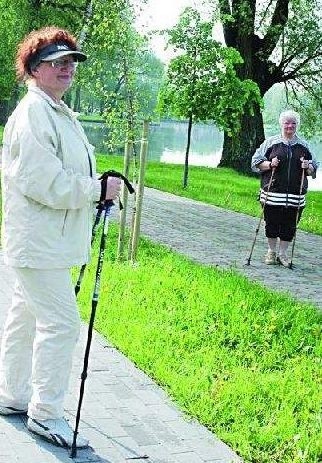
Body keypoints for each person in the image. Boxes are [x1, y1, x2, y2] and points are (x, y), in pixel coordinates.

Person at [0, 26, 121, 448]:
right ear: (34, 69)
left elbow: (66, 169)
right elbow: (43, 181)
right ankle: (46, 414)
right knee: (62, 323)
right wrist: (95, 190)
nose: (67, 68)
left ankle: (13, 395)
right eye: (57, 62)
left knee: (26, 316)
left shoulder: (56, 111)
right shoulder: (35, 112)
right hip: (39, 243)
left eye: (70, 61)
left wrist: (95, 185)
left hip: (43, 240)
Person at [251, 109, 318, 267]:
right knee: (272, 223)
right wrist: (269, 164)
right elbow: (255, 162)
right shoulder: (271, 143)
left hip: (296, 195)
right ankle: (271, 252)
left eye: (293, 123)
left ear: (297, 126)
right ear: (281, 124)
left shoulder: (303, 145)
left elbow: (314, 168)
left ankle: (283, 254)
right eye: (287, 123)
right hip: (272, 193)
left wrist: (308, 167)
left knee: (289, 225)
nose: (290, 126)